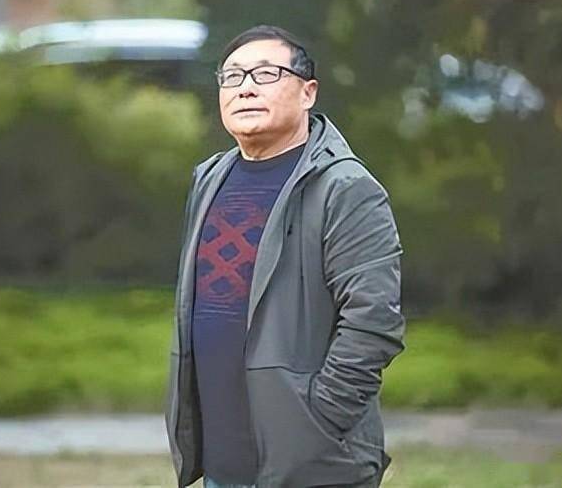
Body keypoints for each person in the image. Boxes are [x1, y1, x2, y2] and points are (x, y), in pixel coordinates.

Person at [164, 25, 405, 488]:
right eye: (233, 76)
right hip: (222, 467)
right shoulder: (209, 179)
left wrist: (321, 419)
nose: (246, 87)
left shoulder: (346, 188)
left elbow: (374, 322)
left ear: (308, 92)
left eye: (266, 74)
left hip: (310, 465)